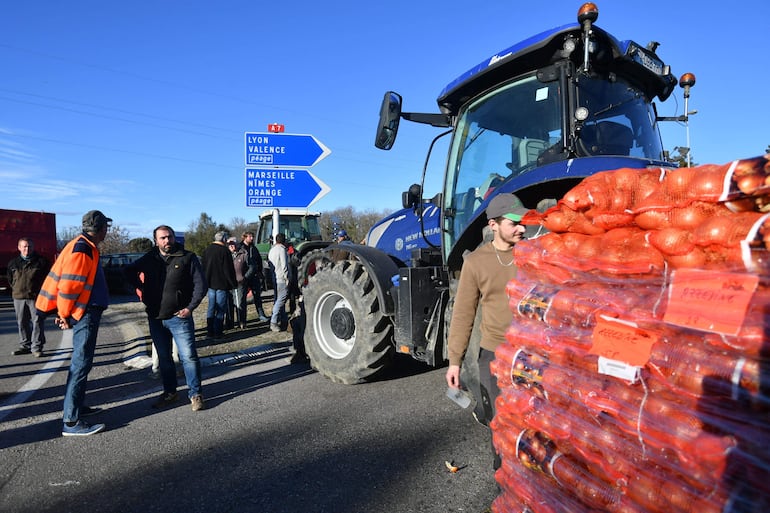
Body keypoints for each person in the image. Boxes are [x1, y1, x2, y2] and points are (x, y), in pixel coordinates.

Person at [445, 193, 528, 465]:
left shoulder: (534, 254)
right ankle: (505, 485)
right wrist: (454, 362)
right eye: (514, 223)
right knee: (502, 425)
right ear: (493, 225)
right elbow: (463, 314)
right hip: (495, 356)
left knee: (534, 423)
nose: (522, 228)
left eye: (523, 221)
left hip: (532, 354)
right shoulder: (476, 262)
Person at [36, 210, 112, 437]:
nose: (107, 230)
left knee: (81, 364)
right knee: (81, 364)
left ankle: (76, 407)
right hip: (84, 313)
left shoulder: (83, 245)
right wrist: (65, 314)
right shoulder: (83, 249)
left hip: (85, 311)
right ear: (101, 229)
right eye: (106, 227)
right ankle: (71, 421)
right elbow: (69, 286)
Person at [126, 225, 207, 411]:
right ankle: (170, 392)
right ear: (156, 240)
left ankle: (195, 394)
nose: (167, 241)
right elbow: (128, 271)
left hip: (180, 317)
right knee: (164, 358)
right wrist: (140, 289)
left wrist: (190, 307)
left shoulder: (187, 257)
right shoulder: (150, 258)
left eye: (169, 237)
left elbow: (200, 285)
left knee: (189, 357)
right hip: (155, 317)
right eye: (162, 238)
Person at [8, 237, 50, 357]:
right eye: (24, 246)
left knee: (37, 321)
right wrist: (17, 289)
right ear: (19, 247)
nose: (27, 249)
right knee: (22, 322)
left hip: (36, 297)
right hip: (19, 297)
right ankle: (25, 345)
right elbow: (11, 280)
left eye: (29, 246)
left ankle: (36, 347)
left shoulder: (41, 262)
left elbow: (48, 280)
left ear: (33, 247)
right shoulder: (13, 263)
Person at [202, 231, 237, 339]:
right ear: (223, 239)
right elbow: (228, 269)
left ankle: (209, 331)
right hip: (222, 283)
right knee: (221, 309)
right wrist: (233, 283)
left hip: (210, 283)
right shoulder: (224, 251)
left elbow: (203, 266)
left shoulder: (207, 250)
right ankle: (218, 331)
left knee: (211, 308)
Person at [241, 230, 269, 322]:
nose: (252, 238)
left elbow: (259, 260)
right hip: (244, 276)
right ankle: (243, 319)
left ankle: (261, 315)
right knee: (242, 298)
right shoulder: (240, 248)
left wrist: (260, 272)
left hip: (254, 275)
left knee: (257, 296)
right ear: (245, 237)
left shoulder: (254, 248)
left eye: (252, 236)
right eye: (250, 236)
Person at [267, 233, 290, 332]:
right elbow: (284, 265)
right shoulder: (282, 250)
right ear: (284, 240)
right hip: (281, 278)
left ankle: (283, 319)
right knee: (281, 299)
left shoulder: (272, 250)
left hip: (274, 277)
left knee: (278, 299)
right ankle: (273, 322)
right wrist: (287, 278)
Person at [228, 236, 249, 330]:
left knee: (240, 303)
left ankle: (242, 322)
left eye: (233, 244)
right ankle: (230, 323)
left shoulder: (243, 254)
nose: (232, 246)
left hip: (240, 282)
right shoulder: (225, 255)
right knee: (229, 304)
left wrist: (245, 277)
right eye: (230, 244)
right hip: (228, 284)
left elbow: (251, 267)